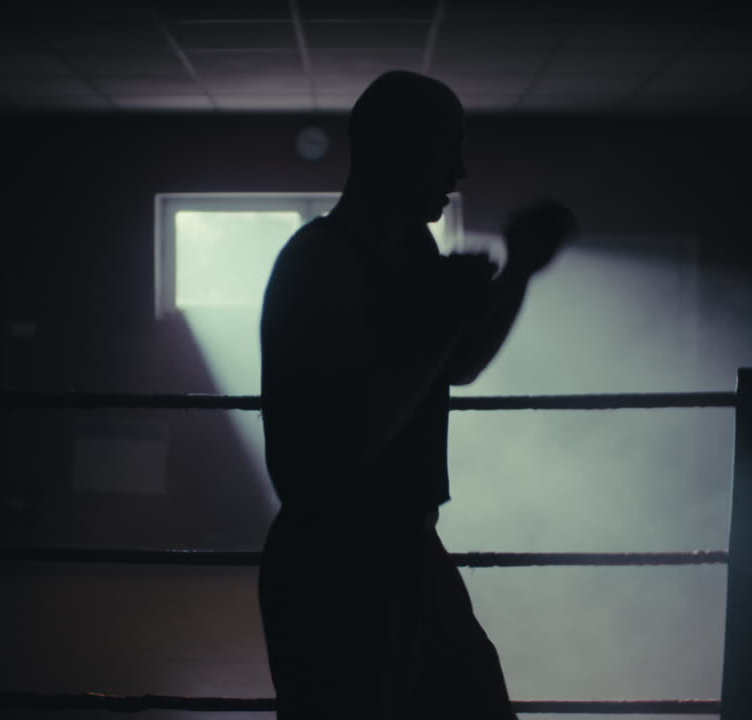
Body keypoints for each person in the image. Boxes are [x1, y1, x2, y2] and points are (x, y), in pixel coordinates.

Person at [257, 70, 576, 719]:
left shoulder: (412, 251)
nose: (457, 170)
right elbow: (341, 446)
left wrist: (518, 272)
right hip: (336, 564)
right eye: (446, 146)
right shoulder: (320, 264)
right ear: (392, 148)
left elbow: (455, 366)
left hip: (406, 549)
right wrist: (446, 317)